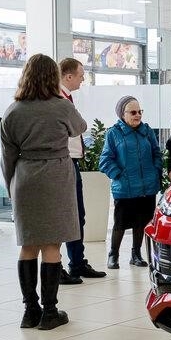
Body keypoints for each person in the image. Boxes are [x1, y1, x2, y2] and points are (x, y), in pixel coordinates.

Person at [0, 54, 88, 330]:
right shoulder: (61, 106)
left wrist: (11, 186)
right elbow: (81, 128)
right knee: (52, 245)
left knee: (28, 245)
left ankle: (29, 311)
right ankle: (50, 312)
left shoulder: (13, 110)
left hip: (26, 176)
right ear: (53, 77)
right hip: (57, 175)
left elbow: (7, 157)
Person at [99, 96, 163, 269]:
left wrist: (155, 172)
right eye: (133, 112)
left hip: (147, 187)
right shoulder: (113, 133)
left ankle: (136, 254)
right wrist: (119, 174)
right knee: (120, 224)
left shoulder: (147, 131)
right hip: (125, 188)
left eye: (140, 112)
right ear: (123, 114)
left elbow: (157, 154)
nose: (137, 115)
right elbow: (105, 160)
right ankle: (113, 255)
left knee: (141, 223)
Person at [58, 58, 106, 284]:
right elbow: (79, 126)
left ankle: (77, 262)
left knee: (78, 215)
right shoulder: (58, 98)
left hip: (72, 160)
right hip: (64, 161)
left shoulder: (66, 96)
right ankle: (61, 264)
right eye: (80, 74)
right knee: (68, 215)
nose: (83, 79)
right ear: (68, 76)